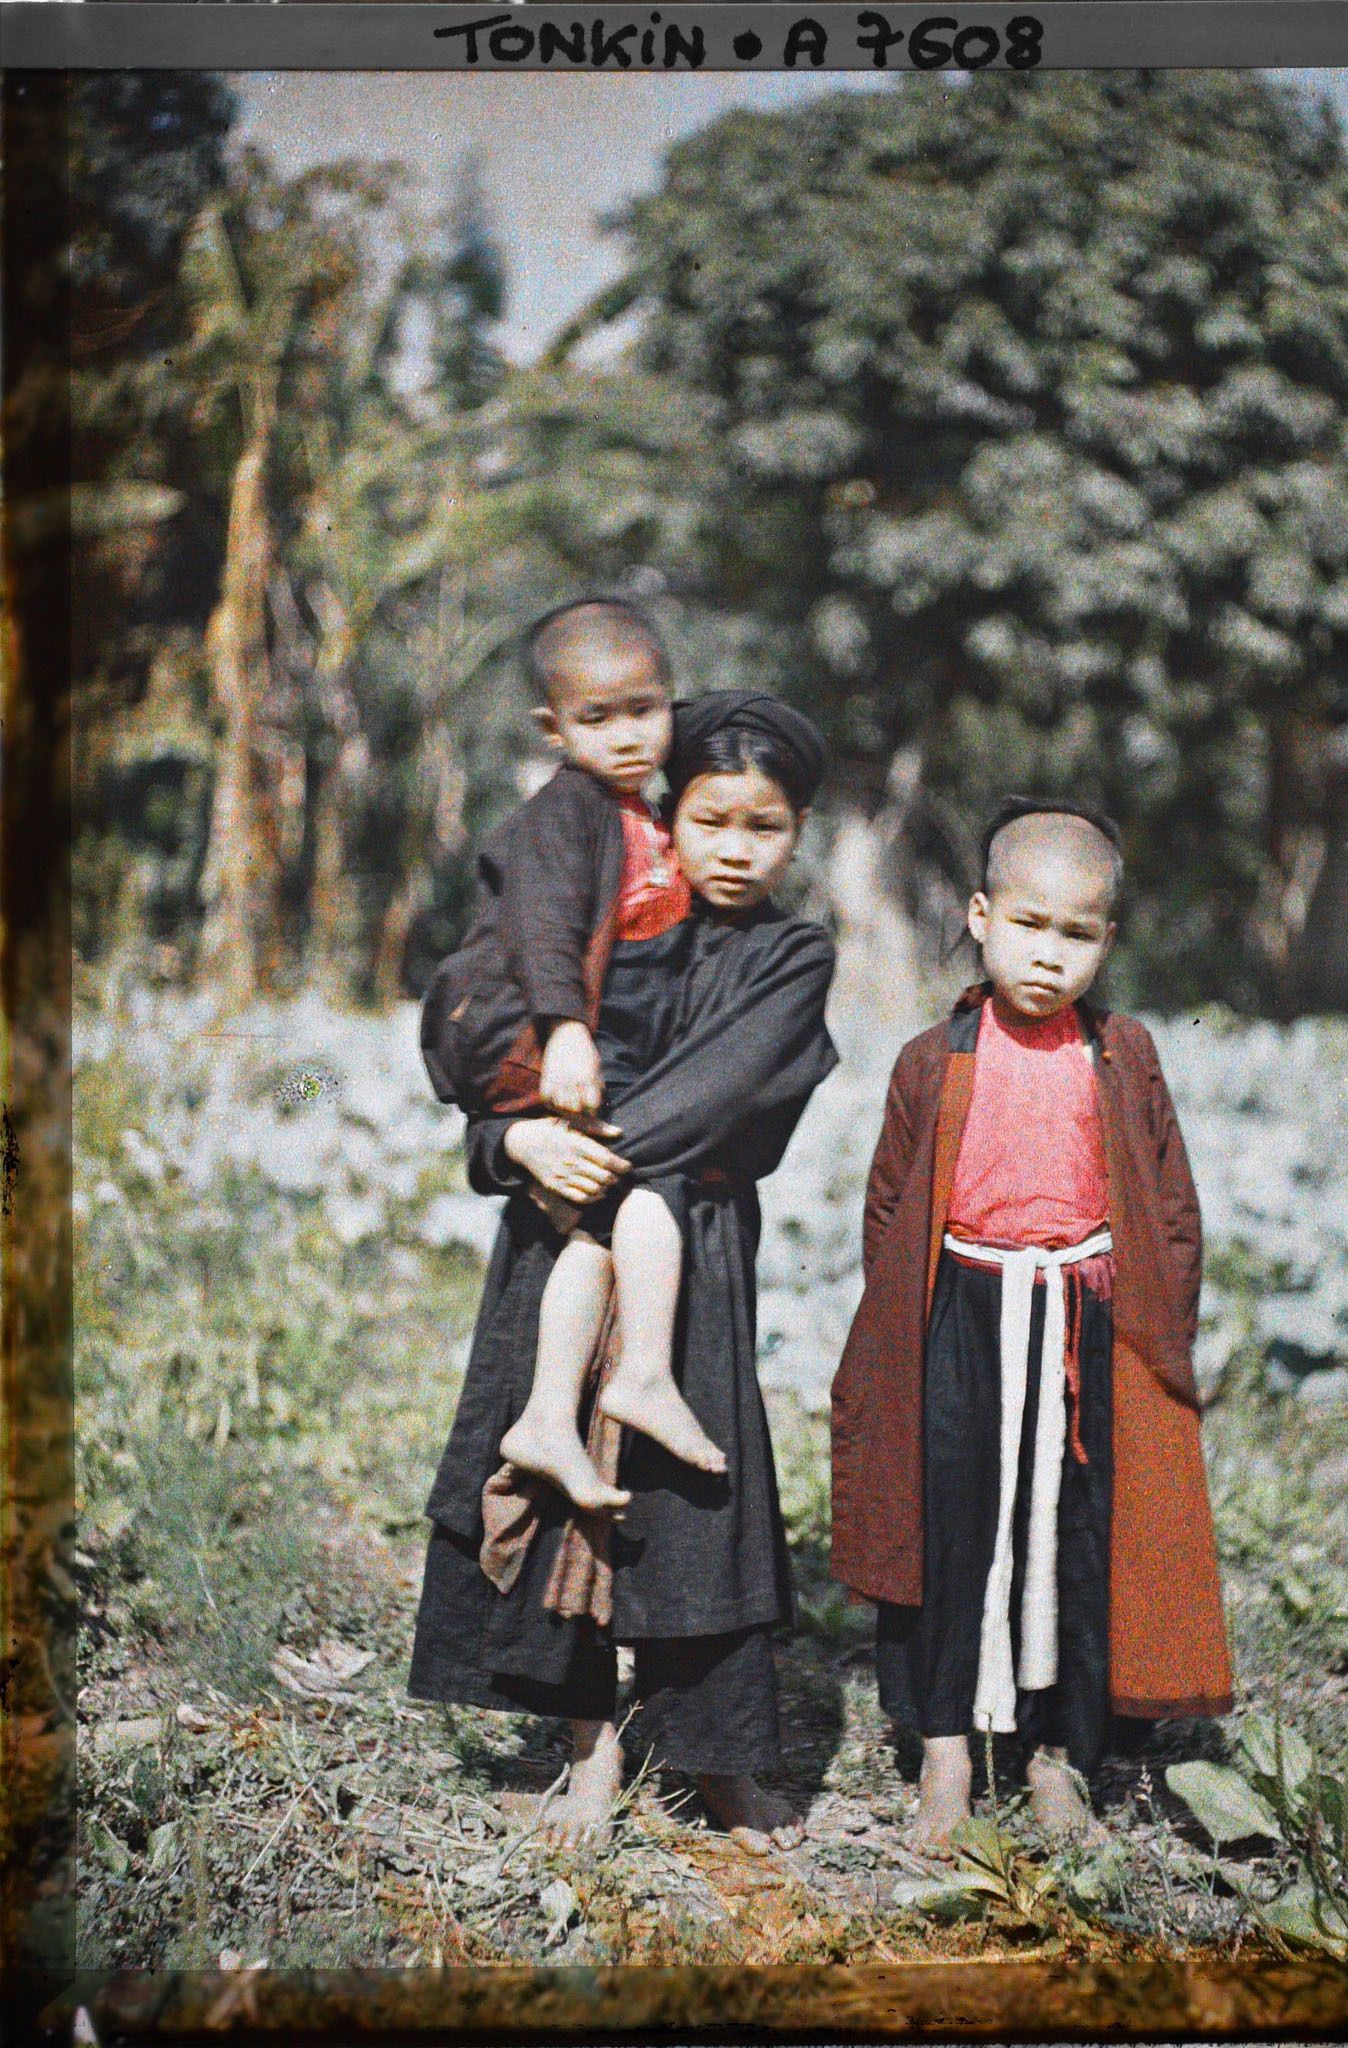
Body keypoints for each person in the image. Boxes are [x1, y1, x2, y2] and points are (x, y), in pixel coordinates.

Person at [410, 692, 838, 1848]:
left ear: (799, 830)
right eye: (709, 820)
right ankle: (585, 1747)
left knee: (693, 1501)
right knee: (562, 1487)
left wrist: (553, 1153)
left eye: (766, 827)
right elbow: (484, 1028)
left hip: (688, 1243)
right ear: (668, 811)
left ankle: (717, 1758)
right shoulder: (602, 919)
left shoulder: (791, 954)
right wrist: (504, 1139)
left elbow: (723, 1094)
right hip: (558, 1245)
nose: (734, 850)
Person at [830, 796, 1232, 1850]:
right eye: (1027, 924)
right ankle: (946, 1754)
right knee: (949, 1526)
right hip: (961, 1309)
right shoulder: (933, 1059)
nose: (1047, 956)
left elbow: (1170, 1203)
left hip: (1084, 1315)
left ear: (1107, 939)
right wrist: (907, 1339)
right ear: (977, 914)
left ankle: (1061, 1758)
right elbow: (889, 1207)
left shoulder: (1125, 1055)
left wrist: (1155, 1339)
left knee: (1078, 1533)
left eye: (1076, 933)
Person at [423, 597, 724, 1515]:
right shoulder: (568, 811)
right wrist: (563, 1030)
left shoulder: (643, 810)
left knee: (588, 1233)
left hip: (600, 1040)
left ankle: (550, 1415)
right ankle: (641, 1375)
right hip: (558, 1040)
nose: (629, 735)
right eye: (597, 719)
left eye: (645, 709)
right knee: (645, 1190)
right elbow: (543, 929)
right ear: (552, 729)